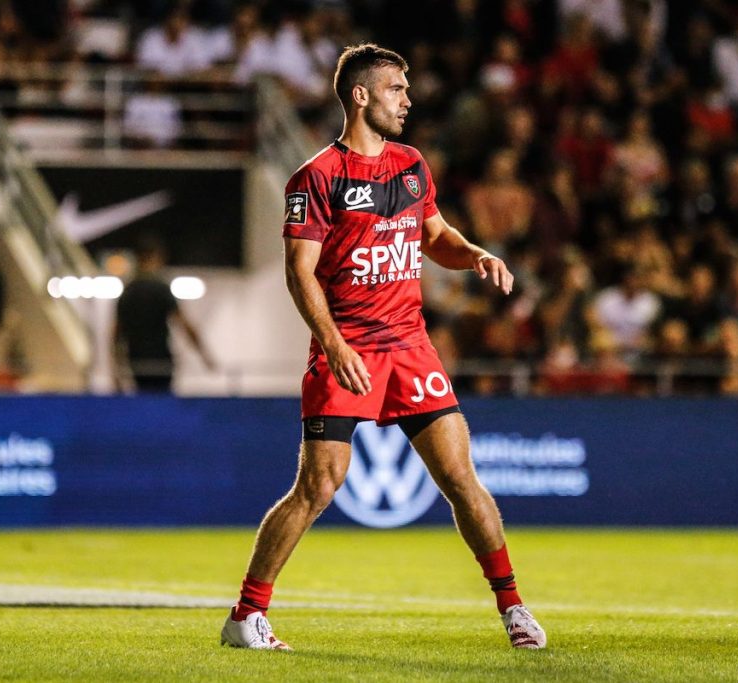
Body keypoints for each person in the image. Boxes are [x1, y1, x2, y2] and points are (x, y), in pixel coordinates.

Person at [220, 43, 547, 652]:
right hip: (347, 348)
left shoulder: (411, 164)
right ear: (361, 96)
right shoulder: (317, 177)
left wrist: (472, 253)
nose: (409, 100)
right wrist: (333, 343)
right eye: (397, 89)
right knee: (319, 486)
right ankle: (246, 614)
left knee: (459, 477)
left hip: (410, 347)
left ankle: (514, 609)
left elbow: (435, 236)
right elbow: (301, 270)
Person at [114, 240, 214, 392]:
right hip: (160, 360)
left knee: (142, 399)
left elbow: (115, 333)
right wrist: (204, 355)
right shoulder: (161, 289)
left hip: (136, 360)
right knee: (161, 400)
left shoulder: (128, 292)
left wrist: (115, 366)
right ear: (155, 257)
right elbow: (184, 324)